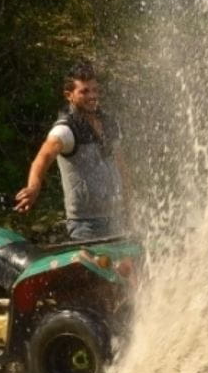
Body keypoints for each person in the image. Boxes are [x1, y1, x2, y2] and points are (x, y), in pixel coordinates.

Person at [14, 62, 129, 240]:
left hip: (117, 218)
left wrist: (131, 203)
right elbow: (42, 158)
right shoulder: (65, 130)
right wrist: (34, 187)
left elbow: (121, 167)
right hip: (85, 225)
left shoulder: (110, 124)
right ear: (69, 95)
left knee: (128, 266)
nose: (92, 96)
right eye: (84, 91)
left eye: (95, 90)